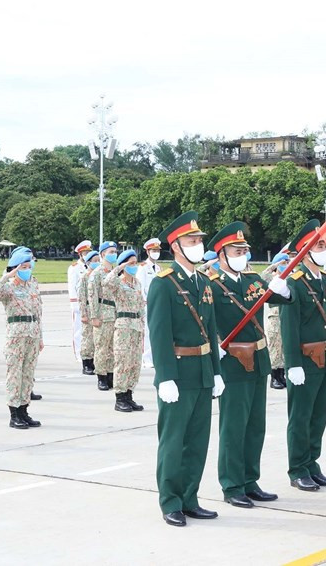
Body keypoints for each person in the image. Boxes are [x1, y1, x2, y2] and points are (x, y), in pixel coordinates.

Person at [208, 222, 291, 509]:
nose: (242, 253)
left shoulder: (252, 279)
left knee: (255, 426)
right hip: (232, 362)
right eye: (236, 249)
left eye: (244, 249)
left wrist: (285, 289)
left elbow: (281, 298)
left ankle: (249, 480)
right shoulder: (212, 283)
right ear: (221, 254)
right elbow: (204, 321)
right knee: (233, 426)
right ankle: (232, 485)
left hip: (258, 361)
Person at [148, 211, 223, 527]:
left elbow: (212, 329)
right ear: (176, 246)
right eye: (191, 241)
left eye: (199, 240)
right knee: (173, 441)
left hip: (203, 372)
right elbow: (159, 333)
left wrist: (216, 371)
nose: (197, 245)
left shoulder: (204, 282)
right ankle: (170, 501)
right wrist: (165, 377)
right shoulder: (163, 284)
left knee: (197, 441)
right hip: (177, 375)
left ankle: (190, 498)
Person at [281, 220, 326, 492]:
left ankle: (312, 463)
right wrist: (292, 364)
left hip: (325, 357)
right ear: (304, 250)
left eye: (324, 245)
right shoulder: (294, 283)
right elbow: (288, 327)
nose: (323, 250)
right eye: (319, 245)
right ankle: (297, 468)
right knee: (301, 417)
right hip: (304, 360)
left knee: (319, 415)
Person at [0, 249, 44, 429]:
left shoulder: (33, 285)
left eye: (28, 266)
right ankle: (14, 413)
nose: (27, 270)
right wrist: (6, 276)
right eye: (23, 267)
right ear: (14, 268)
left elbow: (38, 313)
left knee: (28, 374)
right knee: (15, 375)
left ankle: (24, 411)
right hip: (16, 336)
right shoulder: (9, 287)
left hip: (32, 334)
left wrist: (40, 336)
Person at [104, 250, 145, 413]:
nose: (134, 267)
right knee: (123, 361)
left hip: (136, 325)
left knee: (134, 362)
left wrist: (142, 323)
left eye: (135, 263)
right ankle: (120, 397)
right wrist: (118, 268)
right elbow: (106, 283)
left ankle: (129, 394)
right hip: (123, 326)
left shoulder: (136, 283)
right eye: (131, 264)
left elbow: (141, 305)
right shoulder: (118, 282)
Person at [87, 241, 118, 392]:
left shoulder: (116, 273)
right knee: (101, 347)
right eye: (111, 252)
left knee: (113, 348)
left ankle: (111, 374)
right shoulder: (97, 273)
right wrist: (94, 316)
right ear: (103, 254)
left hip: (116, 313)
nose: (114, 254)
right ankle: (101, 377)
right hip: (102, 313)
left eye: (115, 251)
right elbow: (92, 296)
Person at [261, 250, 289, 390]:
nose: (286, 265)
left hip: (287, 316)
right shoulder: (271, 278)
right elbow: (262, 276)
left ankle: (281, 375)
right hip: (275, 315)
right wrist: (275, 265)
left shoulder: (289, 278)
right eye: (283, 263)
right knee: (275, 347)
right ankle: (274, 378)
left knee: (284, 347)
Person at [135, 238, 162, 369]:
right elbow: (140, 287)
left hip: (157, 304)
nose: (156, 252)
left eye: (157, 250)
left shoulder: (158, 268)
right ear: (147, 251)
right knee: (146, 332)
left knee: (156, 331)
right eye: (153, 250)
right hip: (146, 304)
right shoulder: (142, 268)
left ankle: (154, 357)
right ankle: (146, 358)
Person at [67, 240, 93, 363]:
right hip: (79, 303)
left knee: (89, 331)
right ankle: (78, 353)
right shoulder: (75, 268)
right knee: (78, 330)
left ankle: (89, 353)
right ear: (80, 254)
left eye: (89, 251)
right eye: (85, 252)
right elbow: (72, 287)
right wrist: (75, 304)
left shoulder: (92, 266)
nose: (87, 254)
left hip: (91, 303)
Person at [78, 251, 99, 376]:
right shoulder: (85, 277)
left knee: (96, 338)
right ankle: (86, 363)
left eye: (98, 260)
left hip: (97, 311)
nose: (97, 263)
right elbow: (81, 296)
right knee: (87, 338)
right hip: (87, 309)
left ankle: (95, 362)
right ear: (88, 262)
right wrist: (83, 314)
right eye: (94, 261)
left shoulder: (98, 276)